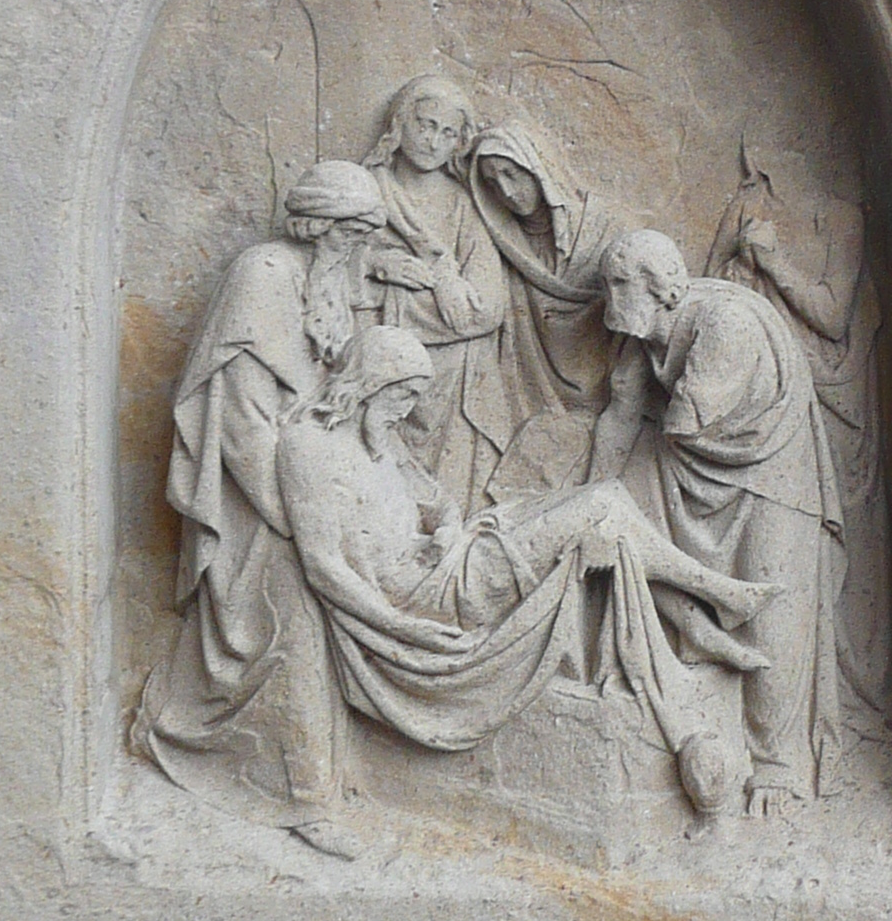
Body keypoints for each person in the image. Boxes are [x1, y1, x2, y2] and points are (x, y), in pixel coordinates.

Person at [278, 329, 769, 822]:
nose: (407, 410)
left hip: (454, 556)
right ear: (371, 381)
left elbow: (440, 503)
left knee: (608, 510)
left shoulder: (382, 438)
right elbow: (323, 566)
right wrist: (400, 627)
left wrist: (445, 529)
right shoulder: (308, 448)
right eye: (402, 394)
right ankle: (715, 600)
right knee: (601, 506)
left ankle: (707, 614)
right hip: (425, 596)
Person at [132, 160, 387, 855]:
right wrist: (296, 523)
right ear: (318, 225)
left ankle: (331, 772)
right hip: (253, 502)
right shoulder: (264, 274)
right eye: (353, 231)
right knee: (294, 618)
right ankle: (303, 797)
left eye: (367, 232)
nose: (360, 246)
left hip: (304, 484)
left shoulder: (329, 278)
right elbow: (244, 427)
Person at [588, 229, 844, 813]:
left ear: (663, 289)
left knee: (773, 612)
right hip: (692, 465)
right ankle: (685, 716)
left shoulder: (724, 324)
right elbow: (620, 416)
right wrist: (595, 497)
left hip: (768, 471)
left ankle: (777, 765)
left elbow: (684, 420)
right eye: (608, 284)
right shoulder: (644, 331)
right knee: (632, 542)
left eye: (621, 285)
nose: (611, 298)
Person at [706, 146, 892, 719]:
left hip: (830, 396)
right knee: (770, 548)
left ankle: (840, 692)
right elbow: (710, 287)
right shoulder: (749, 206)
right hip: (763, 401)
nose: (756, 172)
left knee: (829, 554)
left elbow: (833, 317)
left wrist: (772, 263)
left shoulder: (840, 215)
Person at [363, 75, 511, 514]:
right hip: (383, 362)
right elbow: (333, 265)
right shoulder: (368, 190)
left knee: (451, 497)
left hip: (455, 377)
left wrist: (418, 290)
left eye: (447, 133)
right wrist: (380, 265)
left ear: (458, 143)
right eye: (425, 125)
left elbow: (487, 307)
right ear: (400, 124)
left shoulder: (461, 205)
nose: (433, 141)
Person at [466, 119, 626, 500]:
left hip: (605, 380)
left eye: (511, 174)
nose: (506, 191)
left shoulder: (601, 227)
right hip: (532, 384)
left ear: (537, 164)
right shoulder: (507, 244)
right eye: (492, 183)